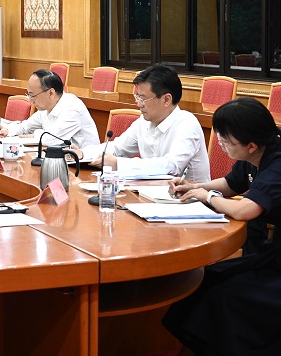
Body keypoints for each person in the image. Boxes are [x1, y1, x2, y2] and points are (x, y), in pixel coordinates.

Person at [162, 97, 281, 355]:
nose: (220, 144)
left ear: (250, 145)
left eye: (226, 141)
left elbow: (245, 210)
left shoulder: (277, 163)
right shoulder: (257, 152)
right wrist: (194, 187)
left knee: (228, 295)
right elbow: (230, 184)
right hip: (274, 253)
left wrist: (206, 197)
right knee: (206, 278)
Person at [83, 64, 210, 183]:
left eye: (143, 99)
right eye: (137, 97)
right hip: (151, 192)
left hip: (189, 196)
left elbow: (171, 166)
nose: (139, 104)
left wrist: (118, 164)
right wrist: (82, 154)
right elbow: (117, 148)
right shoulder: (143, 122)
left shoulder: (187, 124)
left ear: (166, 99)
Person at [0, 69, 99, 148]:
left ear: (50, 93)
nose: (31, 101)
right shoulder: (46, 106)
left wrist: (34, 134)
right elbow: (25, 126)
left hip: (84, 164)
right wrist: (8, 130)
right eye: (29, 95)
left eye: (33, 95)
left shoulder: (72, 107)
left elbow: (51, 140)